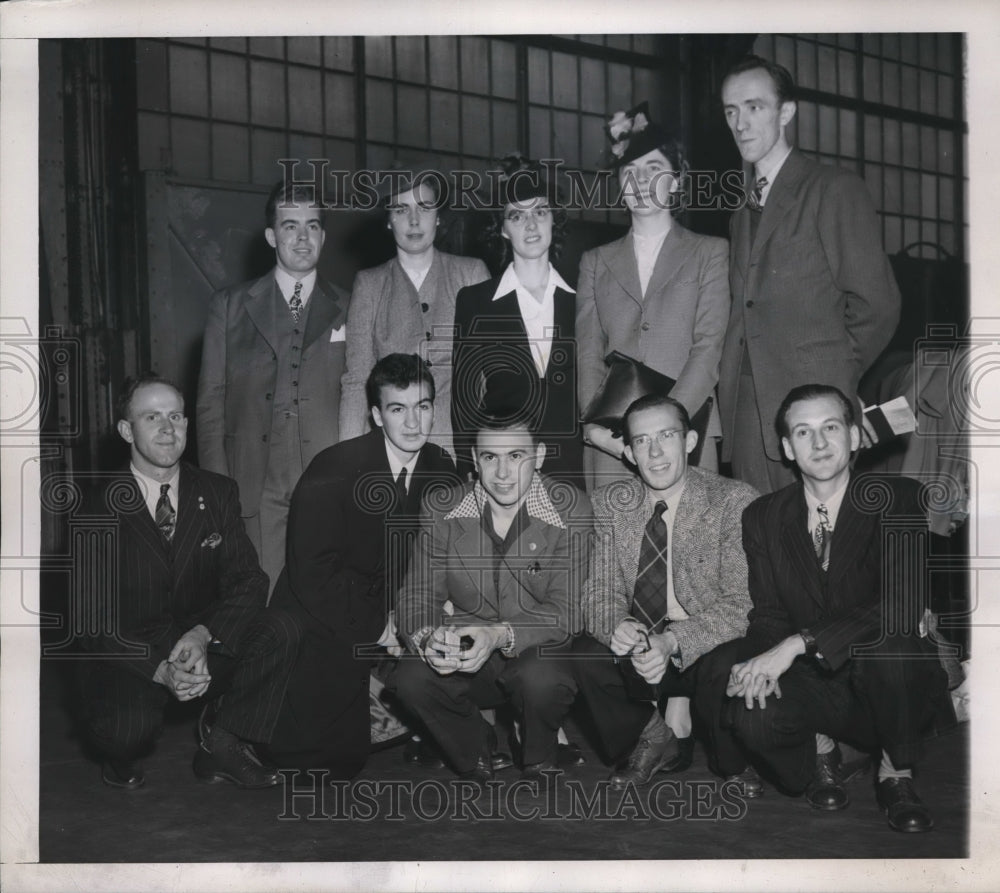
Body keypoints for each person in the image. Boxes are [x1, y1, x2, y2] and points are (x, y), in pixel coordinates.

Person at [703, 384, 948, 832]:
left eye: (830, 427)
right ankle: (822, 752)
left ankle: (896, 774)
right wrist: (756, 665)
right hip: (815, 678)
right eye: (803, 432)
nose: (818, 443)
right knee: (747, 706)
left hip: (885, 673)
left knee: (894, 647)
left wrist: (800, 643)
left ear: (854, 437)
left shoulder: (900, 499)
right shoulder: (763, 516)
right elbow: (770, 613)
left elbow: (900, 603)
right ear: (786, 448)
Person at [77, 375, 301, 790]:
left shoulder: (216, 491)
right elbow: (93, 621)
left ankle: (223, 743)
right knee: (125, 733)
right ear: (127, 430)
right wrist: (160, 670)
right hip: (136, 652)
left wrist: (203, 635)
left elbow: (249, 580)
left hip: (202, 642)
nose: (168, 428)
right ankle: (117, 753)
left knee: (281, 628)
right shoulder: (96, 507)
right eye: (152, 417)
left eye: (176, 416)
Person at [267, 354, 458, 778]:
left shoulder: (444, 471)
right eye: (397, 409)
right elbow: (313, 572)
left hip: (396, 605)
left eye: (423, 407)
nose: (413, 423)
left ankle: (426, 727)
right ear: (375, 415)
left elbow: (445, 561)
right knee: (331, 763)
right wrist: (379, 626)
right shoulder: (333, 468)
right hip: (322, 611)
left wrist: (421, 616)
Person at [718, 56, 901, 494]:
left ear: (786, 113)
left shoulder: (832, 189)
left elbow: (878, 304)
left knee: (817, 546)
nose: (740, 123)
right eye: (730, 111)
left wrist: (834, 379)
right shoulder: (739, 211)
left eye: (754, 107)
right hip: (745, 411)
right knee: (759, 546)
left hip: (810, 412)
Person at [393, 408, 591, 781]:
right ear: (474, 459)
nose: (502, 474)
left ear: (540, 456)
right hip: (467, 652)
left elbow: (566, 612)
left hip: (536, 649)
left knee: (542, 678)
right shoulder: (443, 507)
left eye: (516, 456)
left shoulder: (571, 507)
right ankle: (474, 745)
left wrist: (498, 634)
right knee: (410, 678)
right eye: (490, 457)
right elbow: (418, 595)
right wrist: (428, 638)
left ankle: (539, 751)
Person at [573, 394, 759, 790]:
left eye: (666, 436)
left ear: (690, 441)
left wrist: (672, 641)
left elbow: (742, 604)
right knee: (586, 653)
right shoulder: (608, 504)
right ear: (628, 451)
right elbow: (598, 589)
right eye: (641, 441)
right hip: (642, 647)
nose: (654, 452)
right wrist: (616, 624)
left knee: (729, 658)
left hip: (701, 644)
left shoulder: (734, 501)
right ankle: (655, 739)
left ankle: (733, 763)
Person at [197, 180, 350, 593]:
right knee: (257, 596)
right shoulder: (228, 305)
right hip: (253, 481)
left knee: (323, 595)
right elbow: (210, 403)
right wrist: (217, 490)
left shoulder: (351, 304)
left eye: (312, 226)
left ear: (323, 235)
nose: (302, 238)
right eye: (290, 226)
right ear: (271, 235)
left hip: (326, 478)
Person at [577, 103, 729, 490]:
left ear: (677, 180)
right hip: (613, 442)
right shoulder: (594, 261)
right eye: (630, 171)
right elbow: (587, 352)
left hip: (687, 433)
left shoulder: (710, 252)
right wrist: (595, 427)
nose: (641, 181)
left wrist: (666, 429)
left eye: (655, 169)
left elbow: (709, 347)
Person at [451, 154, 584, 488]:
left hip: (571, 461)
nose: (530, 225)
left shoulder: (581, 299)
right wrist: (471, 465)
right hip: (503, 466)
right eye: (516, 216)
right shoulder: (475, 301)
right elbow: (464, 395)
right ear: (503, 229)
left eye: (540, 212)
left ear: (555, 220)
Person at [339, 170, 490, 457]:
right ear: (388, 219)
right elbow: (357, 379)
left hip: (461, 443)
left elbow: (488, 371)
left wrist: (487, 448)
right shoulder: (369, 284)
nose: (414, 219)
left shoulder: (471, 273)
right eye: (401, 209)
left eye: (424, 207)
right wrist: (347, 457)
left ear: (439, 216)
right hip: (394, 446)